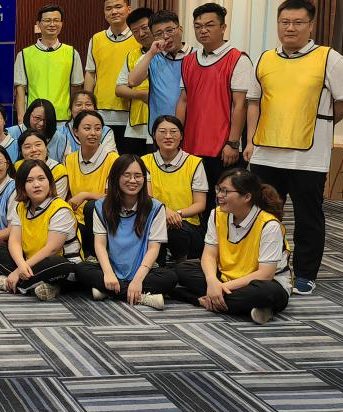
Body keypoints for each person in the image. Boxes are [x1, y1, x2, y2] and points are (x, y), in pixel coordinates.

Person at [244, 0, 343, 295]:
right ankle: (265, 266)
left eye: (297, 22)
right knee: (262, 214)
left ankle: (305, 273)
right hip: (266, 153)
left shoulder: (329, 58)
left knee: (308, 217)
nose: (290, 28)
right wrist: (250, 140)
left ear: (311, 26)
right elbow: (253, 101)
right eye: (285, 22)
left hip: (308, 157)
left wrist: (322, 124)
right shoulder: (265, 58)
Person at [173, 168, 291, 325]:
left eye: (225, 191)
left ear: (247, 197)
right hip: (225, 275)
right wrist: (212, 281)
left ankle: (198, 299)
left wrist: (220, 288)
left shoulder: (269, 225)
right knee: (182, 270)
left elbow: (265, 274)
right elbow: (209, 255)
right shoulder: (217, 214)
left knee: (268, 293)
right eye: (218, 189)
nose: (219, 195)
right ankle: (248, 307)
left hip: (263, 282)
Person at [176, 2, 253, 222]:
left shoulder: (238, 59)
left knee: (224, 204)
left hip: (222, 148)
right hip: (192, 145)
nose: (203, 30)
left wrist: (233, 143)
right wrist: (177, 136)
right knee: (196, 200)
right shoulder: (188, 60)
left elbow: (240, 105)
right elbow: (183, 100)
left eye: (209, 25)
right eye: (198, 26)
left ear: (223, 27)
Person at [74, 155, 175, 309]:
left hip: (143, 269)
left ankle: (108, 291)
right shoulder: (101, 206)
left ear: (144, 179)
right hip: (112, 267)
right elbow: (100, 245)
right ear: (116, 178)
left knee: (170, 277)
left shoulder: (156, 208)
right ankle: (141, 297)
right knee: (81, 269)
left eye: (138, 176)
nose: (133, 180)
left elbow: (154, 248)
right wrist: (108, 273)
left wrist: (138, 280)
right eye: (126, 175)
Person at [0, 160, 79, 300]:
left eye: (41, 179)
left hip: (61, 264)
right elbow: (14, 241)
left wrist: (18, 271)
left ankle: (4, 283)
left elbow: (52, 249)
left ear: (49, 182)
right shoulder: (20, 207)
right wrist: (21, 265)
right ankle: (40, 286)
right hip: (30, 263)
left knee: (57, 263)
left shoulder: (60, 209)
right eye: (29, 180)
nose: (36, 184)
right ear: (22, 186)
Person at [142, 116, 207, 263]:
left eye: (173, 132)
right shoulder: (144, 161)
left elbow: (200, 204)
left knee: (177, 229)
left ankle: (181, 264)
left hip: (186, 224)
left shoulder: (194, 163)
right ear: (153, 135)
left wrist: (176, 214)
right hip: (154, 219)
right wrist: (164, 211)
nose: (168, 136)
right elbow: (147, 198)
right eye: (162, 131)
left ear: (182, 135)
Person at [85, 0, 138, 153]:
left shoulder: (138, 39)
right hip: (101, 112)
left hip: (131, 114)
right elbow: (90, 73)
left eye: (118, 7)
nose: (114, 11)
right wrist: (87, 106)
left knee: (128, 159)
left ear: (128, 9)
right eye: (109, 8)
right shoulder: (96, 39)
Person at [125, 10, 193, 135]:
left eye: (170, 30)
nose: (165, 36)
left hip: (192, 127)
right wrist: (151, 53)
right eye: (158, 34)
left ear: (180, 29)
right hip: (160, 129)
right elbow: (132, 81)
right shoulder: (151, 57)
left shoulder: (197, 56)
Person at [14, 4, 84, 122]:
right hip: (35, 120)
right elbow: (20, 90)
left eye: (56, 20)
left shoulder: (72, 53)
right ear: (38, 24)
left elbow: (75, 88)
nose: (52, 24)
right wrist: (21, 119)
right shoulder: (24, 55)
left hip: (63, 119)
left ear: (61, 24)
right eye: (47, 20)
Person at [64, 110, 119, 258]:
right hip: (76, 219)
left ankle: (96, 255)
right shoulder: (69, 159)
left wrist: (85, 195)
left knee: (91, 206)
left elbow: (114, 196)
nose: (93, 133)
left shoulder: (113, 159)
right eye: (87, 128)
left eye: (98, 128)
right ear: (76, 132)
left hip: (104, 218)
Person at [114, 7, 154, 155]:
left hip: (161, 124)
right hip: (135, 125)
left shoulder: (168, 52)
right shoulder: (132, 55)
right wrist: (141, 95)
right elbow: (119, 89)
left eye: (144, 28)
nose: (141, 34)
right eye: (135, 31)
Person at [54, 90, 117, 162]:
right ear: (71, 109)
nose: (83, 108)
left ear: (95, 108)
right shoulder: (59, 132)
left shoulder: (106, 131)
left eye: (88, 104)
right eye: (78, 105)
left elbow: (109, 159)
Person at [14, 130, 69, 197]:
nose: (34, 150)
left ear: (46, 147)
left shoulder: (58, 170)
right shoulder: (18, 166)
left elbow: (56, 198)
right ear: (21, 152)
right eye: (28, 147)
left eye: (38, 145)